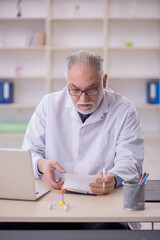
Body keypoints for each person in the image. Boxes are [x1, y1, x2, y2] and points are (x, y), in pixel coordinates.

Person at [22, 50, 144, 230]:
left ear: (104, 81)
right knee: (12, 226)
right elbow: (29, 152)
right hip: (54, 200)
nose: (83, 98)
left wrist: (114, 178)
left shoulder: (124, 110)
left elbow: (130, 160)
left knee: (111, 232)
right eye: (75, 89)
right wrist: (41, 164)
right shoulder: (49, 105)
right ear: (67, 82)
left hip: (102, 204)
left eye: (91, 89)